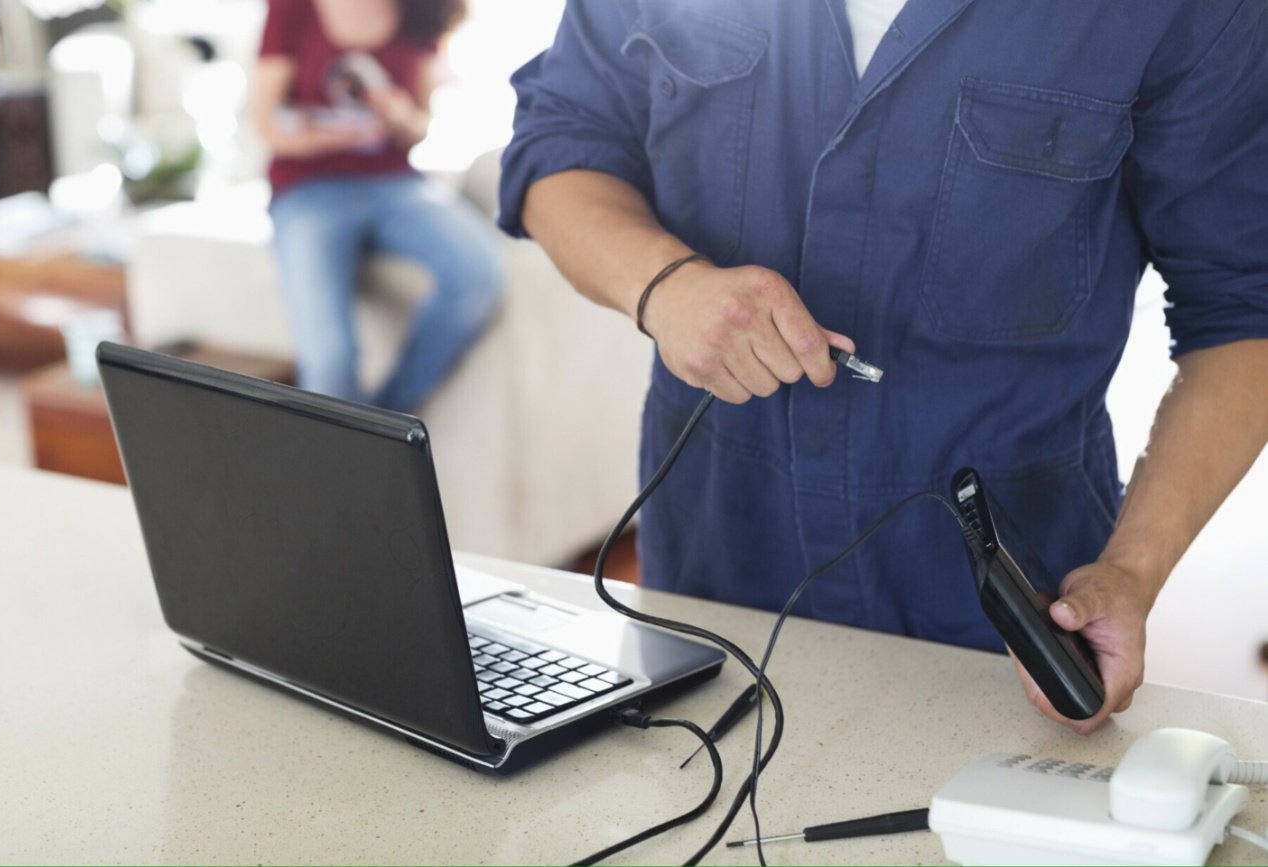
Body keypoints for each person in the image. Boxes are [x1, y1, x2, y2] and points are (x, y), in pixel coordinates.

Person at [497, 1, 1268, 734]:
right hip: (712, 573)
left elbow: (1245, 313)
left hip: (1003, 621)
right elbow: (560, 139)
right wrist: (663, 287)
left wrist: (1130, 573)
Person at [254, 0, 502, 412]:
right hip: (307, 189)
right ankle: (358, 451)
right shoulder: (291, 9)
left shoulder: (422, 12)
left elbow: (420, 127)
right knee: (330, 361)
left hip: (396, 184)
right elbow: (266, 121)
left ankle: (383, 426)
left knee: (480, 274)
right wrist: (336, 136)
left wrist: (398, 115)